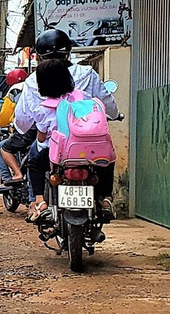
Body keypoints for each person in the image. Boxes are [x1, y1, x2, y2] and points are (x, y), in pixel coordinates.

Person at [13, 54, 116, 221]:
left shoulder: (44, 109)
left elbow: (40, 139)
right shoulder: (84, 99)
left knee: (34, 165)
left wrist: (42, 144)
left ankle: (39, 200)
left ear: (42, 84)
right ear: (68, 78)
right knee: (108, 162)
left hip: (59, 156)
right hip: (88, 154)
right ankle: (105, 198)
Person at [0, 68, 33, 193]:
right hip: (44, 129)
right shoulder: (37, 85)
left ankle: (11, 177)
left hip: (25, 131)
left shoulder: (15, 90)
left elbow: (3, 119)